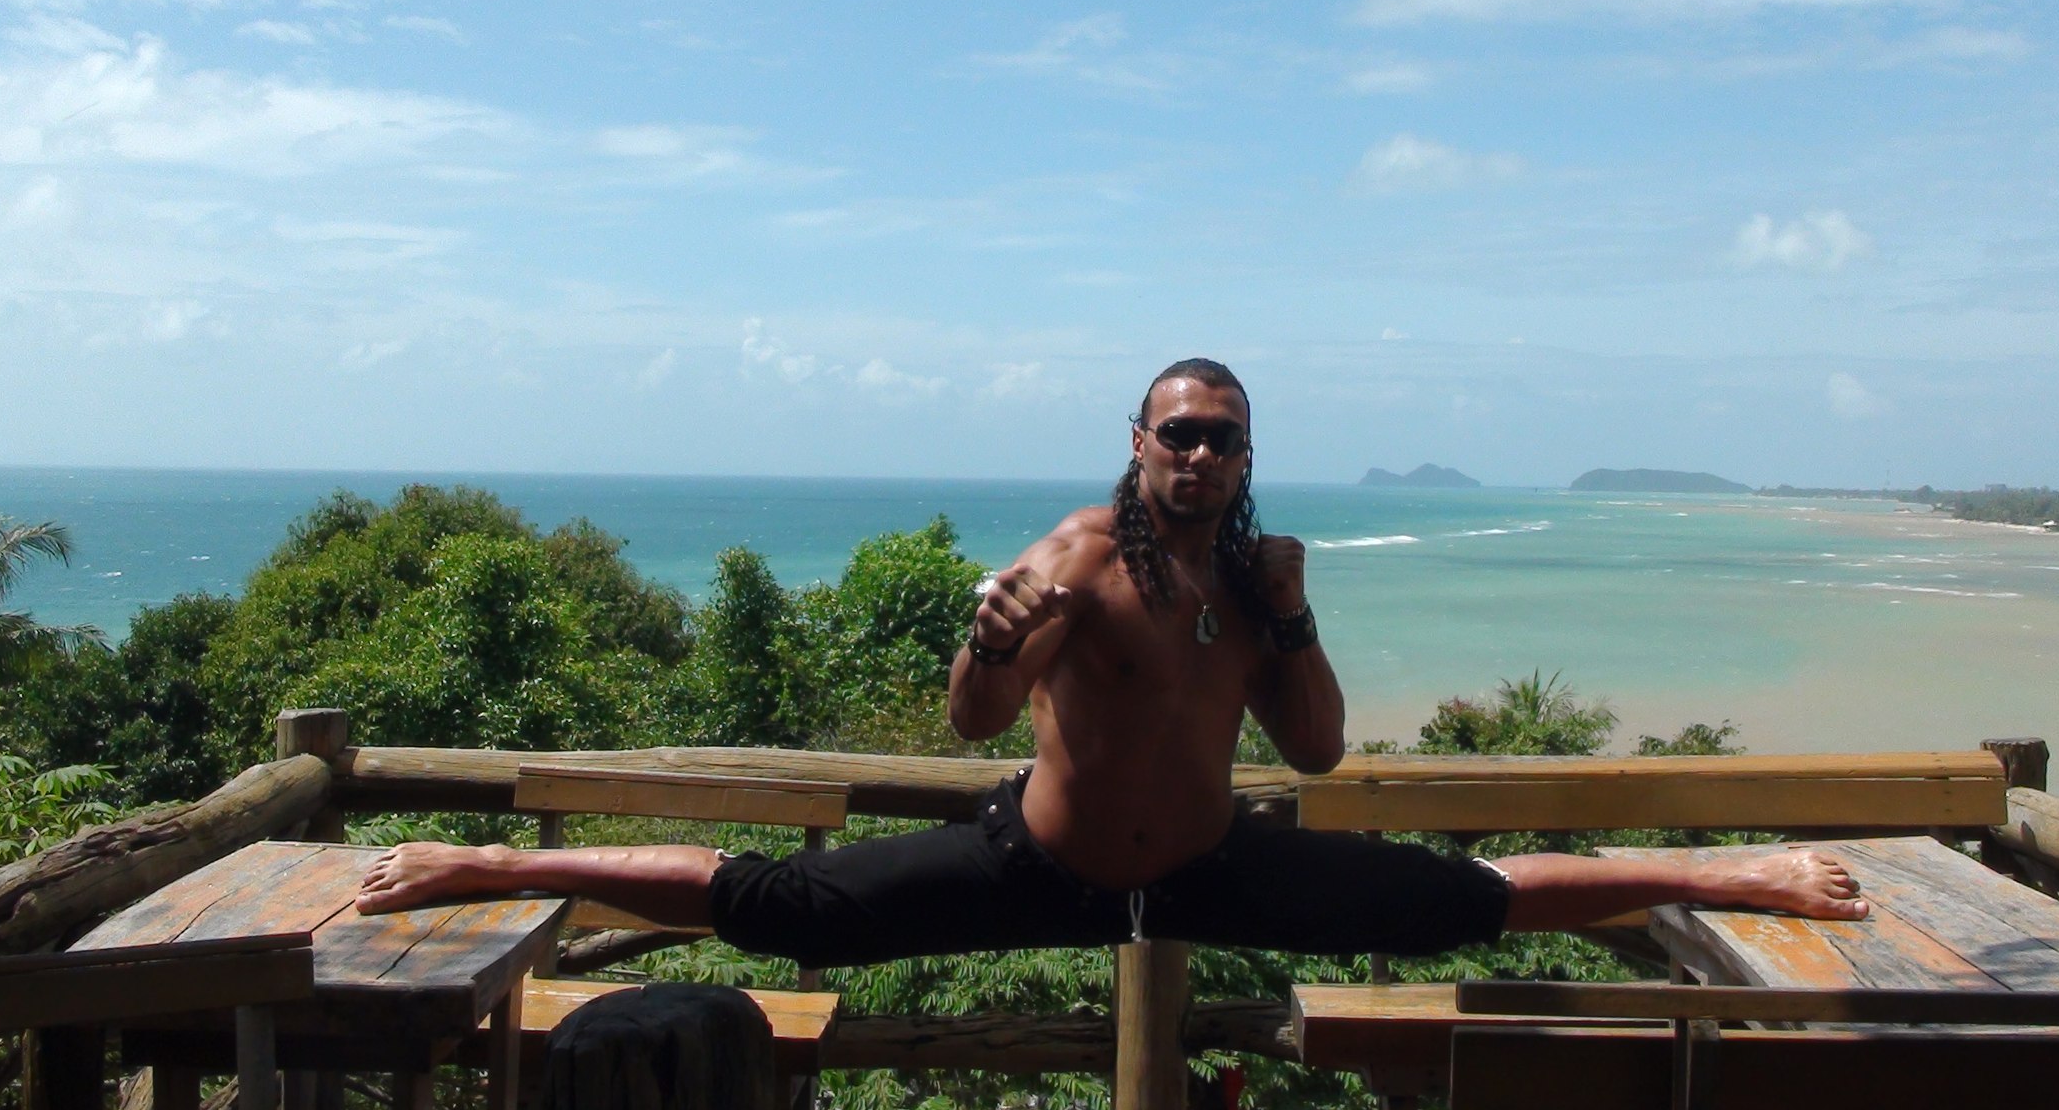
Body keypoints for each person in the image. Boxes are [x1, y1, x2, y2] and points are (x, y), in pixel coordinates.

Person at [355, 358, 1867, 964]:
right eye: (1178, 434)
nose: (1198, 456)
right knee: (784, 913)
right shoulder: (1075, 562)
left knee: (1454, 903)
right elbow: (974, 721)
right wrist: (985, 644)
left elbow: (1319, 754)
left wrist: (1295, 616)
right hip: (1038, 865)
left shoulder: (1258, 580)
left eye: (1224, 439)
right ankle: (489, 861)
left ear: (1247, 458)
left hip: (1212, 866)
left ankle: (1728, 873)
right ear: (1138, 445)